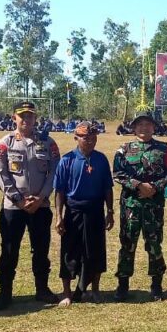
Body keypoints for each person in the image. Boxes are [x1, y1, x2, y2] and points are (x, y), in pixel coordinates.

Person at [0, 101, 62, 310]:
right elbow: (0, 175)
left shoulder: (48, 143)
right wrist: (19, 200)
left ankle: (42, 289)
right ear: (14, 117)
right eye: (21, 115)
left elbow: (55, 172)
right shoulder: (5, 143)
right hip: (13, 208)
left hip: (40, 206)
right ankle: (5, 292)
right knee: (9, 249)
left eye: (30, 115)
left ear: (35, 117)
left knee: (41, 249)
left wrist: (41, 197)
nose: (26, 119)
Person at [113, 111, 167, 301]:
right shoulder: (124, 148)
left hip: (154, 206)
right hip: (130, 206)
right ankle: (123, 285)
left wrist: (154, 188)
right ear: (134, 127)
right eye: (139, 124)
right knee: (127, 244)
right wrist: (139, 185)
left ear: (154, 127)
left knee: (154, 244)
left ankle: (156, 286)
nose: (144, 128)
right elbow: (118, 173)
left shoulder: (163, 148)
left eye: (147, 124)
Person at [54, 123, 115, 306]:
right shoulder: (67, 160)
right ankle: (66, 292)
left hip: (95, 210)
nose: (90, 141)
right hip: (73, 211)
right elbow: (59, 191)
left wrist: (110, 211)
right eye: (85, 137)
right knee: (70, 250)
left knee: (95, 250)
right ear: (76, 138)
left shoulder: (101, 159)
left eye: (93, 138)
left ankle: (95, 289)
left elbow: (107, 188)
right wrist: (59, 216)